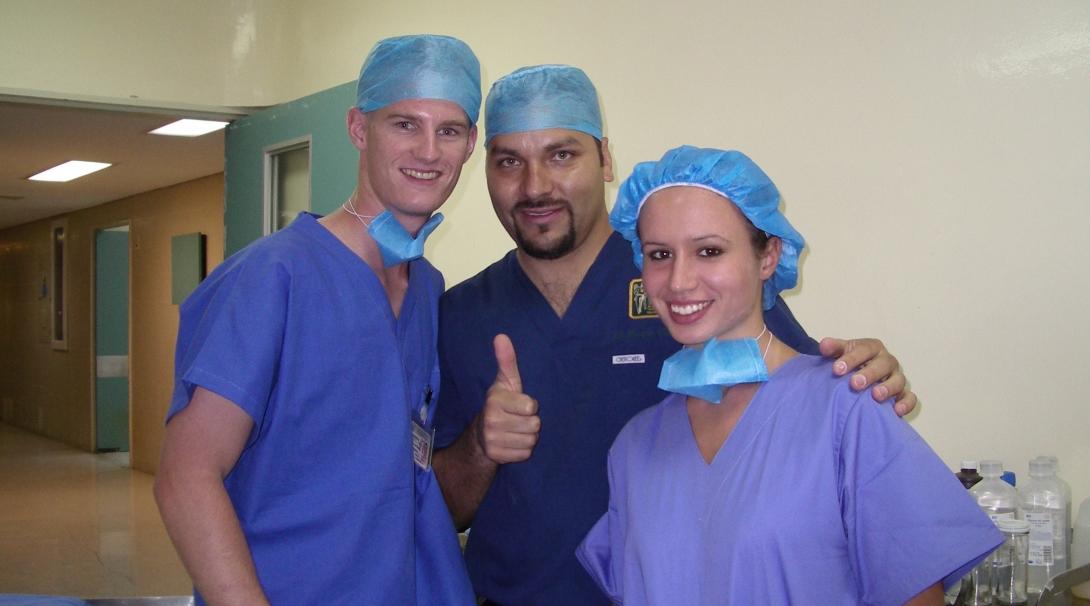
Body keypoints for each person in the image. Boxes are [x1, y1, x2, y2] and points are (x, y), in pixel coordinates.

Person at [432, 65, 917, 606]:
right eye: (508, 162)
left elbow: (804, 398)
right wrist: (479, 446)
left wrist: (870, 373)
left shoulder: (686, 292)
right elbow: (436, 508)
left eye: (562, 154)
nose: (535, 185)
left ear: (605, 158)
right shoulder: (460, 312)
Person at [576, 146, 1001, 605]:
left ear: (768, 257)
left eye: (709, 251)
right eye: (660, 254)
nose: (679, 281)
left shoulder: (847, 409)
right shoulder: (637, 447)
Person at [154, 34, 481, 605]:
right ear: (359, 128)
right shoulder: (271, 278)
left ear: (470, 143)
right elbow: (186, 479)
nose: (429, 151)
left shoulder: (426, 288)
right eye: (405, 124)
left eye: (449, 130)